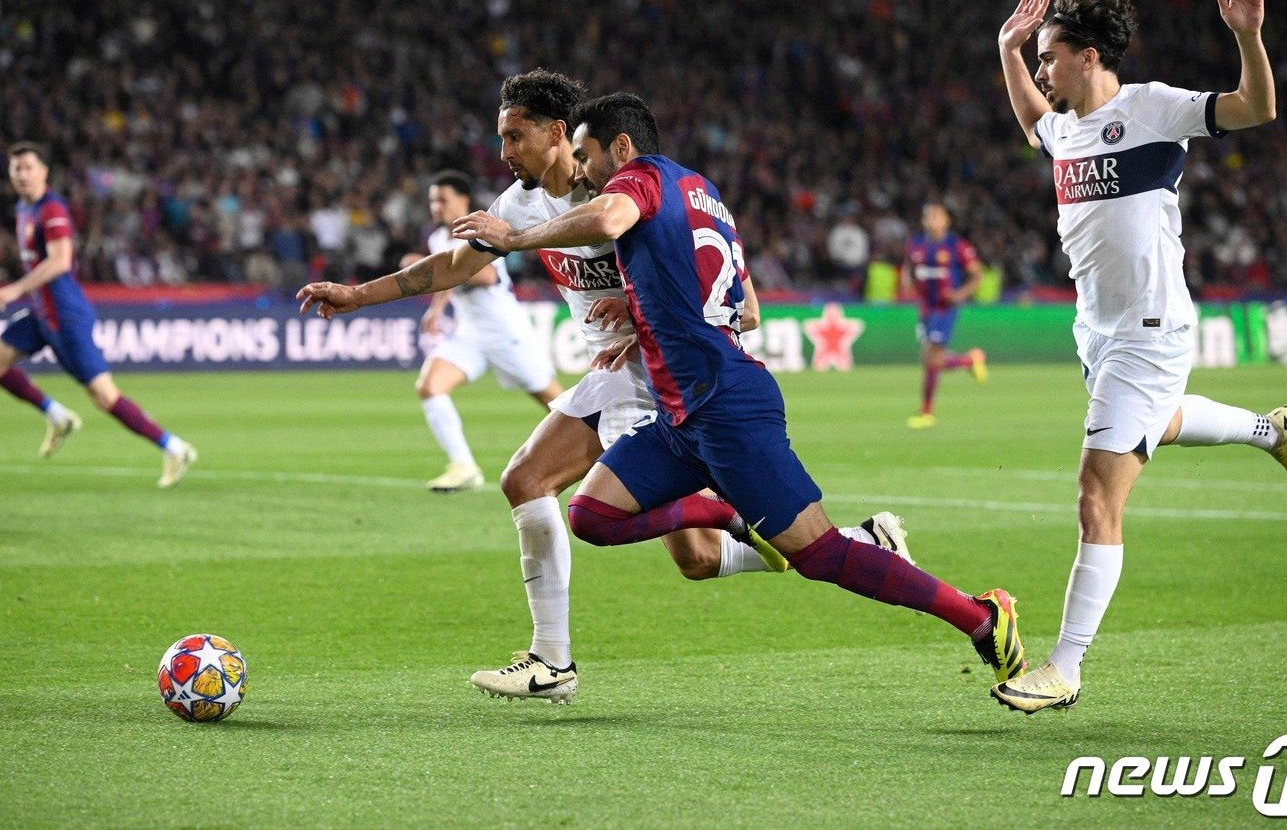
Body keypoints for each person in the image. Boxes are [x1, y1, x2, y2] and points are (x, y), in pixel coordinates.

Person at [299, 70, 910, 704]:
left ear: (557, 133)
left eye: (514, 137)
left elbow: (747, 307)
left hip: (667, 382)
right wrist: (355, 295)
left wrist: (645, 325)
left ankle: (845, 545)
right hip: (610, 378)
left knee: (681, 547)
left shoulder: (633, 193)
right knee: (554, 494)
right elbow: (452, 266)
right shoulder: (522, 204)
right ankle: (552, 661)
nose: (503, 153)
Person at [451, 91, 1027, 699]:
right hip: (680, 413)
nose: (585, 171)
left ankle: (982, 617)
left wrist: (515, 240)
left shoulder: (639, 179)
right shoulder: (698, 190)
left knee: (821, 554)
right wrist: (642, 316)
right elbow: (737, 305)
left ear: (621, 148)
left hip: (725, 403)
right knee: (591, 516)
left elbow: (608, 220)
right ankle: (731, 517)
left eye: (589, 156)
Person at [991, 0, 1287, 713]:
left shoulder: (1155, 109)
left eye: (1048, 57)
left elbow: (1255, 108)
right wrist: (1009, 53)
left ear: (1088, 56)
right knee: (1154, 428)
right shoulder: (1065, 131)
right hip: (1096, 334)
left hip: (1150, 331)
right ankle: (1273, 429)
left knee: (1097, 491)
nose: (1043, 69)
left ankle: (1065, 666)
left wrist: (1251, 39)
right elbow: (1034, 122)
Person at [0, 142, 197, 488]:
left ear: (44, 171)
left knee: (104, 397)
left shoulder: (51, 209)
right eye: (15, 168)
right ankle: (58, 416)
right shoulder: (24, 209)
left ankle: (174, 447)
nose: (22, 174)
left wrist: (16, 289)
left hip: (66, 317)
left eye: (28, 167)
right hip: (42, 314)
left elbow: (61, 260)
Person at [408, 169, 562, 492]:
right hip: (470, 334)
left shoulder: (480, 228)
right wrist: (436, 309)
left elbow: (487, 277)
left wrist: (428, 265)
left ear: (463, 200)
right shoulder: (439, 238)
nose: (436, 206)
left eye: (442, 199)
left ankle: (611, 450)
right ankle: (463, 466)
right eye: (432, 201)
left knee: (556, 402)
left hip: (505, 332)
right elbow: (447, 278)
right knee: (430, 386)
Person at [901, 202, 988, 428]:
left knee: (931, 357)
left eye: (937, 217)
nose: (932, 221)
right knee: (929, 359)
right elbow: (908, 268)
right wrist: (907, 284)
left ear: (947, 220)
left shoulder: (956, 245)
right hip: (925, 308)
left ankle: (926, 412)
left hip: (944, 307)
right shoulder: (916, 245)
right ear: (923, 221)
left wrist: (960, 294)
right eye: (928, 217)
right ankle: (969, 360)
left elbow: (977, 274)